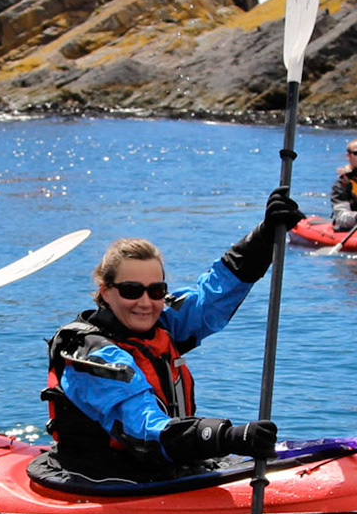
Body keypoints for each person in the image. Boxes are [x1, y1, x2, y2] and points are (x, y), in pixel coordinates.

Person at [43, 187, 305, 484]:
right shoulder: (90, 355)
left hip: (163, 467)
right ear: (105, 291)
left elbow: (211, 300)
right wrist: (226, 436)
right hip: (108, 480)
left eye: (156, 291)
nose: (146, 303)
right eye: (131, 291)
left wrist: (265, 236)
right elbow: (146, 429)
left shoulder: (159, 323)